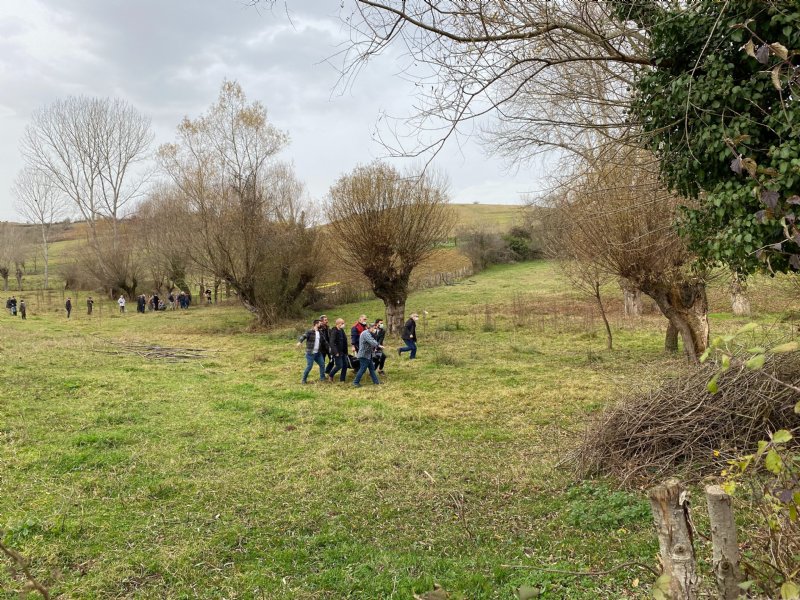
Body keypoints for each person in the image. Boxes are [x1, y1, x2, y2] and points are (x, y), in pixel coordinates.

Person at [297, 319, 329, 384]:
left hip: (318, 353)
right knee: (309, 366)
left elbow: (324, 341)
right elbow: (304, 336)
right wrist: (300, 342)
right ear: (316, 324)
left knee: (322, 364)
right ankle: (303, 380)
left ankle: (322, 378)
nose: (321, 325)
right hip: (310, 353)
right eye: (320, 323)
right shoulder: (310, 331)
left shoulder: (320, 332)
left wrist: (330, 348)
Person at [353, 322, 384, 387]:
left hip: (368, 355)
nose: (375, 329)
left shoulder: (369, 333)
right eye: (374, 328)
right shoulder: (365, 334)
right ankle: (355, 382)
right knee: (362, 369)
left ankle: (376, 382)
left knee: (372, 369)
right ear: (371, 328)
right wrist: (378, 345)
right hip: (364, 355)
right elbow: (371, 341)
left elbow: (373, 340)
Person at [328, 318, 350, 382]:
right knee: (339, 365)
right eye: (342, 323)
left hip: (343, 351)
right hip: (337, 352)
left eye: (343, 323)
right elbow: (332, 342)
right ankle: (331, 375)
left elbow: (344, 340)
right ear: (338, 324)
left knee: (345, 365)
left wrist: (346, 351)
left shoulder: (341, 330)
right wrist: (335, 352)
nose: (343, 324)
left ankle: (342, 379)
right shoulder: (334, 331)